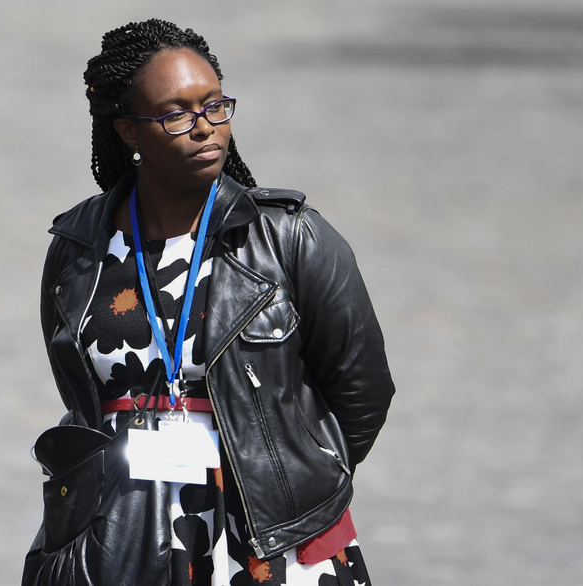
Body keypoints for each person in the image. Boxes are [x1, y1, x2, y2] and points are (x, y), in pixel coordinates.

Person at [23, 19, 394, 586]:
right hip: (120, 533)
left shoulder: (291, 239)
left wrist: (299, 474)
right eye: (177, 114)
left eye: (215, 106)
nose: (205, 128)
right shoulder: (79, 248)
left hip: (275, 540)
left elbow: (361, 389)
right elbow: (79, 390)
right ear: (127, 130)